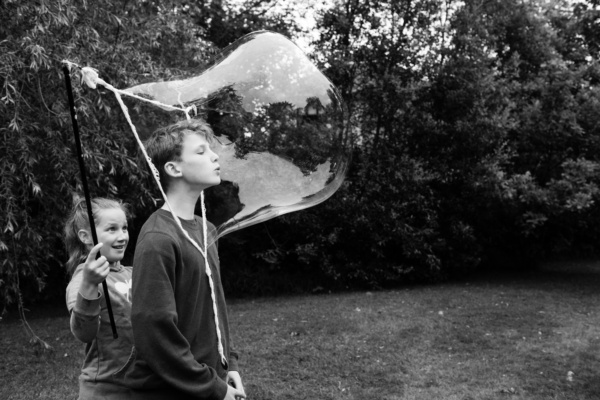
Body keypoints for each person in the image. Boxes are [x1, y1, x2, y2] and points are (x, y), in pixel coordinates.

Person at [127, 119, 245, 400]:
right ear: (173, 168)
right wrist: (211, 386)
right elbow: (154, 332)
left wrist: (230, 363)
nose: (215, 156)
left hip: (209, 380)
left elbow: (214, 307)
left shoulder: (207, 230)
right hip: (173, 390)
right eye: (201, 151)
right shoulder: (158, 238)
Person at [64, 197, 133, 399]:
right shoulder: (82, 280)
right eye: (112, 229)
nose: (122, 236)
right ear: (86, 237)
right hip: (104, 390)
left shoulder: (133, 273)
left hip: (140, 385)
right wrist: (89, 285)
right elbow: (84, 332)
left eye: (124, 228)